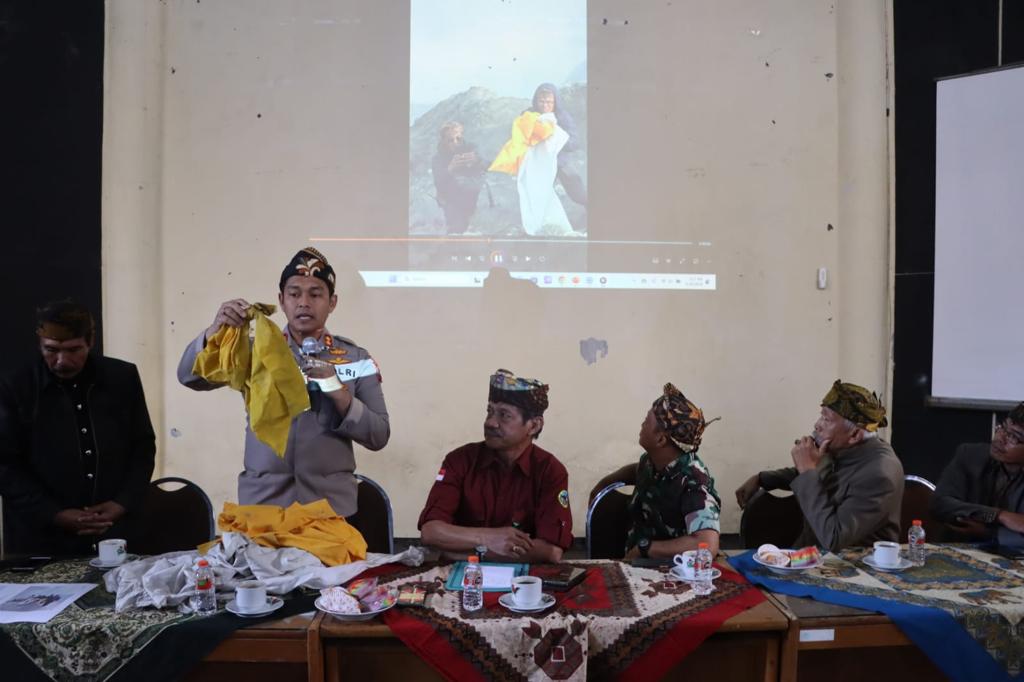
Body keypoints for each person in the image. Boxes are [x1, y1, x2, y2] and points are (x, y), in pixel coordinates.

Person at [178, 247, 389, 519]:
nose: (304, 303)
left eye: (315, 294)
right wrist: (214, 331)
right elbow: (189, 377)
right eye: (294, 294)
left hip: (330, 510)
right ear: (281, 299)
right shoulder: (255, 351)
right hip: (263, 507)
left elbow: (379, 435)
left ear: (332, 302)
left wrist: (339, 394)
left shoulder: (355, 358)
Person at [0, 301, 156, 555]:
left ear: (90, 342)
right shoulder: (15, 385)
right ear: (40, 345)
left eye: (74, 350)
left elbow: (143, 446)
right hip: (39, 537)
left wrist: (121, 503)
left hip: (115, 531)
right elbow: (5, 466)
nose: (62, 361)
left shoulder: (121, 377)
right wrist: (56, 514)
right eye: (51, 350)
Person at [418, 369, 572, 562]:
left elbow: (550, 552)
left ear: (533, 426)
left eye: (504, 415)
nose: (491, 422)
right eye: (489, 411)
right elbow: (431, 532)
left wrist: (461, 551)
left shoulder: (549, 471)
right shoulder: (459, 460)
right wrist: (489, 538)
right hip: (464, 578)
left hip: (522, 581)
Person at [734, 380, 903, 551]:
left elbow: (833, 539)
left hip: (854, 567)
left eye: (826, 420)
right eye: (821, 415)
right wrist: (762, 478)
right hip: (812, 556)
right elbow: (823, 472)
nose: (817, 425)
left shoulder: (879, 474)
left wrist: (807, 470)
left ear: (855, 434)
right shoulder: (844, 449)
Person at [622, 384, 721, 560]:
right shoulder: (650, 461)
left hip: (674, 573)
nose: (642, 424)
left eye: (646, 422)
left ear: (660, 439)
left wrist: (645, 549)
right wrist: (604, 483)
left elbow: (707, 545)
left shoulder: (693, 480)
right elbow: (635, 470)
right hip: (637, 566)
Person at [489, 84, 584, 236]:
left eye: (549, 102)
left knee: (577, 191)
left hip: (560, 161)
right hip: (538, 164)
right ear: (536, 101)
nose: (545, 105)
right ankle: (543, 226)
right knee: (540, 194)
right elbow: (519, 137)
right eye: (542, 101)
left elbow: (574, 142)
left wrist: (555, 137)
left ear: (555, 102)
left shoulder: (562, 116)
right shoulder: (528, 115)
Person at [931, 402, 1024, 548]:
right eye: (1003, 428)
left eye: (1013, 437)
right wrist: (999, 516)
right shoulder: (970, 455)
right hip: (959, 551)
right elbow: (940, 504)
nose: (1001, 438)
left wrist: (990, 533)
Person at [432, 121, 485, 235]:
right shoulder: (438, 158)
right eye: (450, 140)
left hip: (472, 195)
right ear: (444, 141)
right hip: (450, 200)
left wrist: (477, 160)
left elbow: (489, 164)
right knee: (456, 231)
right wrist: (450, 169)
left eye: (458, 138)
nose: (455, 143)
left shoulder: (472, 148)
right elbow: (438, 183)